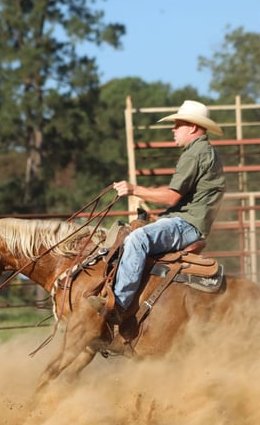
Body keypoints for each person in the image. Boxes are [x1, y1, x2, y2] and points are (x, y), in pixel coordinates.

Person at [89, 99, 226, 323]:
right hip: (191, 222)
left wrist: (134, 189)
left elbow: (172, 196)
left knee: (137, 239)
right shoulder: (206, 151)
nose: (173, 130)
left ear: (192, 127)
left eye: (178, 124)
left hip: (187, 224)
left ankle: (118, 306)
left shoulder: (195, 153)